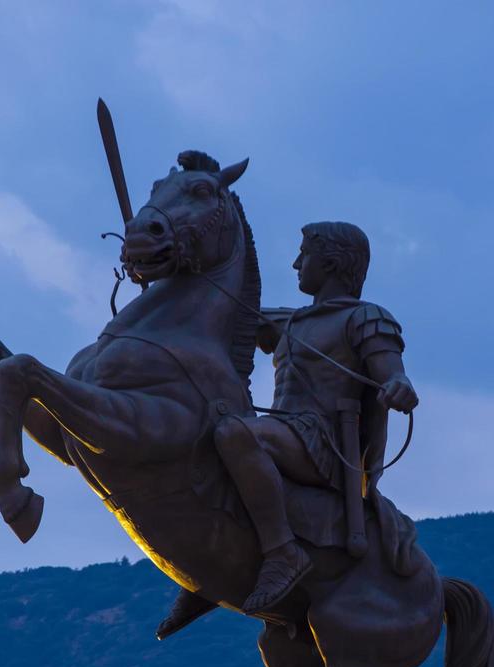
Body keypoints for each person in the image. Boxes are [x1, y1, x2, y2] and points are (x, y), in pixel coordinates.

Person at [157, 221, 418, 637]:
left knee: (235, 433)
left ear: (330, 263)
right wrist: (176, 265)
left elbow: (392, 374)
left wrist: (398, 388)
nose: (296, 263)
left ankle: (283, 553)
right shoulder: (291, 321)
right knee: (203, 434)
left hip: (326, 446)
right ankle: (217, 560)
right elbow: (216, 307)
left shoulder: (367, 318)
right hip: (283, 435)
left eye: (305, 254)